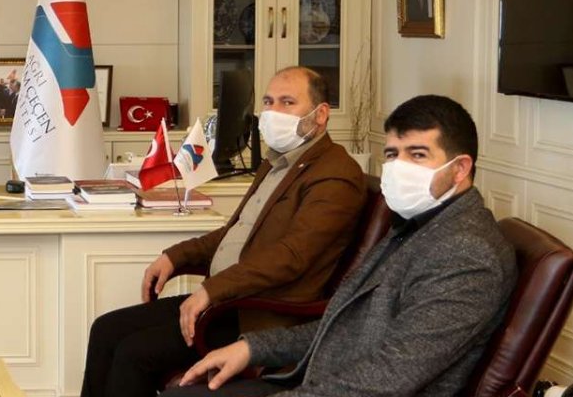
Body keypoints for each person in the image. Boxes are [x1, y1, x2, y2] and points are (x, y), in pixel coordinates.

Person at [166, 94, 516, 397]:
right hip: (326, 379)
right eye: (393, 154)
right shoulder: (420, 224)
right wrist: (251, 349)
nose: (400, 167)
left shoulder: (467, 253)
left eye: (418, 155)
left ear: (460, 168)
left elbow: (390, 377)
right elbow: (347, 326)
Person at [81, 66, 367, 397]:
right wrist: (175, 256)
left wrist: (211, 291)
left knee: (134, 353)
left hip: (259, 312)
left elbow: (292, 257)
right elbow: (234, 233)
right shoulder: (278, 163)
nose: (273, 112)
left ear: (321, 114)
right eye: (268, 101)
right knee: (105, 330)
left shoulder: (335, 175)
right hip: (227, 299)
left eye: (288, 102)